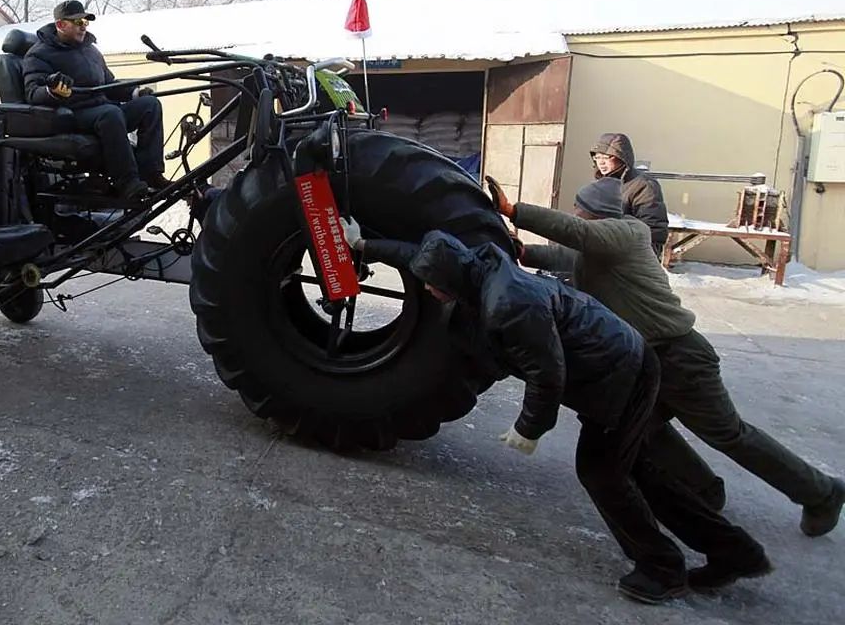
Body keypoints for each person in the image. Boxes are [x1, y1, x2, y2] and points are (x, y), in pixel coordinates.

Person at [338, 220, 771, 603]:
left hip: (621, 374)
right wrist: (364, 246)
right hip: (614, 365)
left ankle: (662, 569)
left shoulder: (508, 304)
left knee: (602, 472)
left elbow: (548, 374)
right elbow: (420, 256)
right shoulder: (473, 267)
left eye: (433, 285)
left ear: (448, 279)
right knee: (639, 472)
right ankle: (735, 553)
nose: (429, 291)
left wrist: (529, 429)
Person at [489, 173, 845, 541]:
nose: (575, 214)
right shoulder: (598, 248)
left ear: (598, 214)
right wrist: (525, 253)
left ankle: (821, 492)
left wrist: (513, 210)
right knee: (645, 429)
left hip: (680, 356)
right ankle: (704, 490)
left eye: (580, 209)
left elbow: (578, 236)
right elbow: (567, 254)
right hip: (645, 361)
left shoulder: (628, 234)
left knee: (730, 434)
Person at [22, 0, 167, 198]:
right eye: (78, 22)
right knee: (111, 113)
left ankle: (151, 174)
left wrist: (135, 92)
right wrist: (53, 90)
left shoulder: (91, 50)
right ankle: (127, 182)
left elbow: (109, 84)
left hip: (103, 109)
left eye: (86, 22)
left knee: (150, 105)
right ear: (61, 25)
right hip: (72, 114)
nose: (84, 27)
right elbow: (32, 92)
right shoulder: (39, 55)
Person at [590, 133, 669, 257]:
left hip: (633, 256)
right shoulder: (601, 184)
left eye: (607, 157)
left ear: (621, 157)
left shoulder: (644, 185)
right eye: (598, 157)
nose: (601, 163)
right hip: (603, 252)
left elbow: (653, 229)